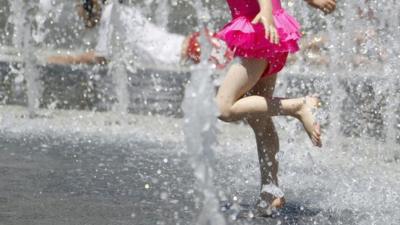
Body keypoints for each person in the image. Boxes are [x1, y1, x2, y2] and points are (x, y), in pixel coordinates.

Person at [215, 0, 336, 216]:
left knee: (224, 108)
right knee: (259, 119)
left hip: (260, 30)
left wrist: (266, 11)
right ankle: (271, 192)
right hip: (264, 28)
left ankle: (297, 106)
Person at [47, 0, 233, 68]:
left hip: (190, 51)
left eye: (80, 8)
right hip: (194, 44)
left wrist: (68, 59)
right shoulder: (119, 10)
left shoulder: (109, 12)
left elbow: (101, 57)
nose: (79, 14)